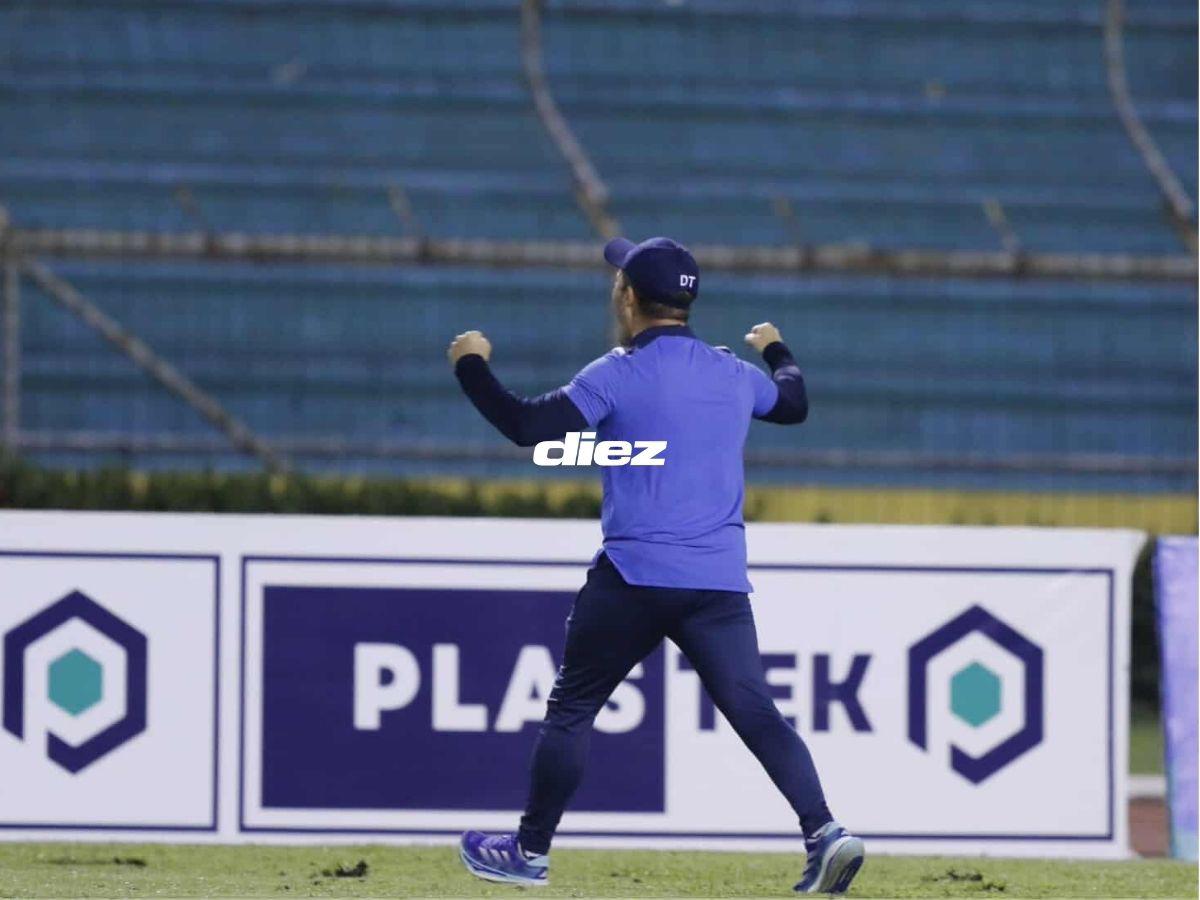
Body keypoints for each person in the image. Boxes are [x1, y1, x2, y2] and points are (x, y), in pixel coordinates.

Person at [448, 237, 864, 895]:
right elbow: (792, 403)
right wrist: (776, 349)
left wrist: (470, 365)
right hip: (717, 582)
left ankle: (528, 854)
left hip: (635, 576)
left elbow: (528, 429)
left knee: (573, 707)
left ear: (630, 297)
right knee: (756, 710)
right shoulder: (730, 374)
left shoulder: (619, 373)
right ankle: (826, 832)